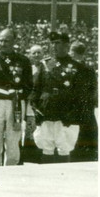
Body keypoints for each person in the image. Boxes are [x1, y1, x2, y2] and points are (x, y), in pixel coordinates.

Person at [32, 32, 96, 163]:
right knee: (47, 148)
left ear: (67, 46)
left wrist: (75, 114)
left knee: (64, 148)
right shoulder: (45, 65)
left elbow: (83, 94)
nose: (54, 46)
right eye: (52, 43)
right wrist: (36, 109)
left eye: (57, 43)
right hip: (47, 112)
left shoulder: (78, 68)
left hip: (66, 114)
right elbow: (36, 90)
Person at [0, 29, 33, 167]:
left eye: (6, 40)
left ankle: (12, 170)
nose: (2, 43)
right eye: (0, 40)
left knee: (13, 139)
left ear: (14, 42)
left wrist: (17, 95)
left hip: (15, 104)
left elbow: (28, 85)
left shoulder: (23, 60)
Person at [69, 41, 98, 162]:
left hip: (75, 107)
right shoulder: (89, 69)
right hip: (87, 107)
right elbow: (93, 89)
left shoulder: (71, 68)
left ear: (73, 52)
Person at [23, 44, 45, 164]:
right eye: (34, 53)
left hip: (41, 104)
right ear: (30, 55)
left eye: (39, 52)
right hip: (29, 102)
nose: (36, 55)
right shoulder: (28, 68)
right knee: (29, 129)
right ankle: (28, 156)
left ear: (43, 54)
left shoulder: (47, 68)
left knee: (40, 130)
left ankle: (40, 155)